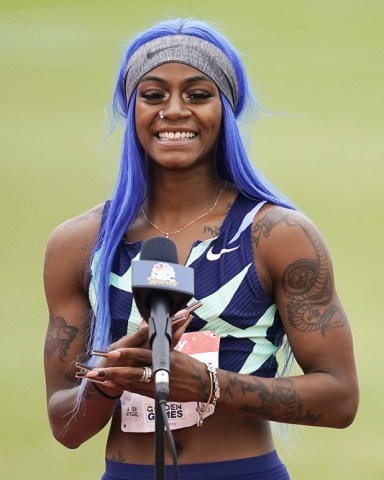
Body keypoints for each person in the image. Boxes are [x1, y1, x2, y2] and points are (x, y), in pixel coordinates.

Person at [43, 18, 359, 480]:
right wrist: (109, 381)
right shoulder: (79, 243)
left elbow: (340, 397)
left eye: (197, 94)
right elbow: (64, 425)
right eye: (152, 95)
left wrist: (208, 384)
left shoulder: (277, 235)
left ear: (225, 109)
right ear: (130, 109)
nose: (174, 110)